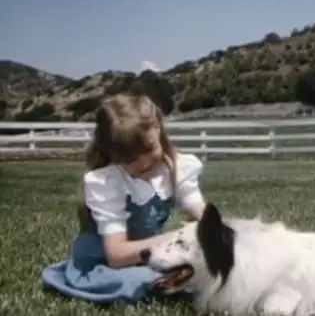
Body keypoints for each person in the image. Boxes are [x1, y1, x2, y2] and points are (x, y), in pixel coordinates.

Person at [41, 93, 207, 304]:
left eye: (150, 149)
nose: (143, 162)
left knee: (195, 273)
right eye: (129, 159)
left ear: (158, 127)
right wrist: (180, 235)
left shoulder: (178, 167)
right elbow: (116, 254)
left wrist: (221, 230)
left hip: (144, 258)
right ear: (112, 153)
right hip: (106, 265)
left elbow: (203, 212)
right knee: (145, 281)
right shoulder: (107, 182)